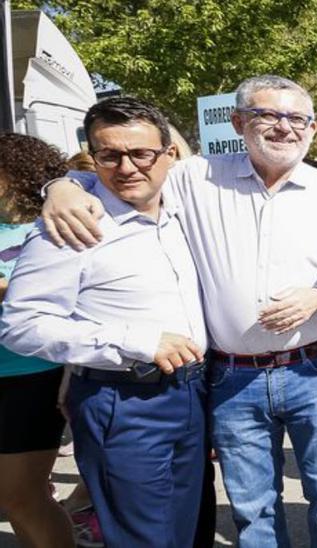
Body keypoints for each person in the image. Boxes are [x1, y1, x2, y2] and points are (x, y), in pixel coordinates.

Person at [41, 76, 317, 547]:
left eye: (296, 118)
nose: (283, 128)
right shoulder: (195, 177)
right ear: (237, 121)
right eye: (267, 115)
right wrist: (64, 185)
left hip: (316, 368)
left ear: (313, 129)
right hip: (233, 377)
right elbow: (124, 172)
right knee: (253, 506)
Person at [1, 97, 206, 547]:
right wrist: (136, 340)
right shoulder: (72, 226)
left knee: (182, 534)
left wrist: (62, 181)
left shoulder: (181, 211)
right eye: (109, 155)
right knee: (141, 539)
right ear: (93, 158)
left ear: (169, 155)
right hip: (123, 399)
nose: (127, 167)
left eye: (141, 154)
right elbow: (20, 322)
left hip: (189, 394)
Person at [0, 132, 74, 548]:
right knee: (14, 500)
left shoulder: (48, 227)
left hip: (34, 372)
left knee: (20, 494)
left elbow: (60, 287)